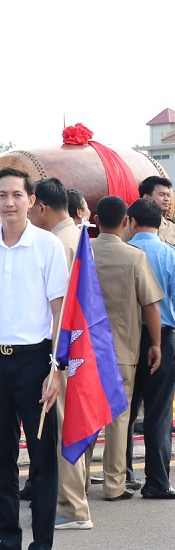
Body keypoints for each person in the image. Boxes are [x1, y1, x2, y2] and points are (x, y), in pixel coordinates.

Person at [0, 167, 68, 550]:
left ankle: (41, 549)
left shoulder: (47, 246)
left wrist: (56, 368)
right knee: (0, 455)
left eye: (16, 195)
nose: (9, 202)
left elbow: (60, 311)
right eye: (2, 195)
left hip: (36, 360)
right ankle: (8, 543)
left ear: (31, 200)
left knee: (42, 457)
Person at [91, 196, 163, 502]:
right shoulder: (134, 257)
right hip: (122, 351)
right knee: (119, 419)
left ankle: (79, 483)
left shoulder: (83, 252)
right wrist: (156, 344)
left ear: (95, 220)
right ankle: (114, 485)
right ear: (125, 222)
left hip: (86, 351)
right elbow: (151, 306)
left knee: (86, 418)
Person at [29, 177, 90, 529]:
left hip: (63, 349)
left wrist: (56, 362)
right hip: (77, 346)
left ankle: (73, 507)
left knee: (64, 425)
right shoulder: (76, 236)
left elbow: (61, 309)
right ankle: (74, 497)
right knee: (71, 422)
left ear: (40, 207)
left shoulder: (57, 243)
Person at [126, 197, 175, 499]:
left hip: (126, 338)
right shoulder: (170, 255)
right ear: (160, 224)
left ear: (131, 222)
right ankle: (157, 481)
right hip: (164, 339)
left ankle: (122, 475)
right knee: (158, 412)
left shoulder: (125, 252)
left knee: (125, 411)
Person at [139, 175, 175, 247]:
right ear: (146, 197)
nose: (167, 199)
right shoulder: (132, 223)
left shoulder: (172, 228)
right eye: (162, 195)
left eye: (168, 195)